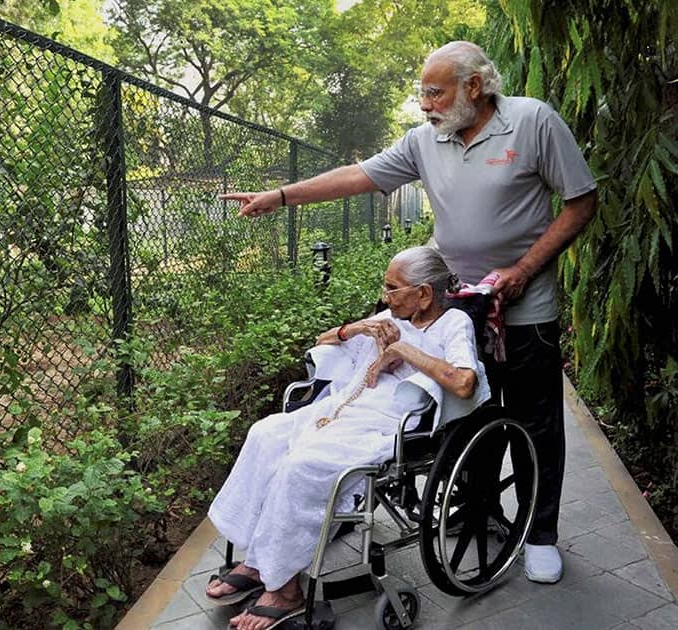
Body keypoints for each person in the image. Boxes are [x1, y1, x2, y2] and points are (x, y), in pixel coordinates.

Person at [221, 40, 597, 585]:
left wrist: (524, 269)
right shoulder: (426, 141)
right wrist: (279, 197)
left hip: (525, 306)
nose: (425, 104)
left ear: (474, 86)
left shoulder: (533, 122)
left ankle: (540, 534)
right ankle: (479, 511)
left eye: (434, 92)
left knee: (536, 420)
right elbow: (358, 175)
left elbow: (581, 201)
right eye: (422, 93)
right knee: (465, 417)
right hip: (458, 309)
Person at [206, 246, 490, 630]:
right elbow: (324, 342)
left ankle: (286, 591)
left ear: (424, 294)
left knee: (299, 465)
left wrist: (404, 350)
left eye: (393, 288)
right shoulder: (389, 315)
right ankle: (259, 562)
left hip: (388, 420)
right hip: (344, 405)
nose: (385, 296)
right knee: (265, 434)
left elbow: (464, 382)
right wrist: (356, 328)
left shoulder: (453, 323)